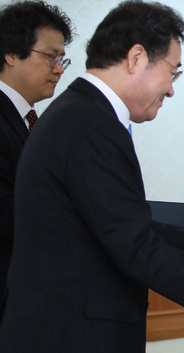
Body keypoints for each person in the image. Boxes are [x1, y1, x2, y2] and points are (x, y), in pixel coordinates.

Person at [0, 2, 184, 352]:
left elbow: (120, 223)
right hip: (72, 332)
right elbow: (133, 244)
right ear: (137, 58)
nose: (172, 89)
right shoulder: (89, 124)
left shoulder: (82, 114)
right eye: (173, 72)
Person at [0, 0, 74, 300]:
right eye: (50, 57)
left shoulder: (32, 120)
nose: (58, 70)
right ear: (12, 54)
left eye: (62, 59)